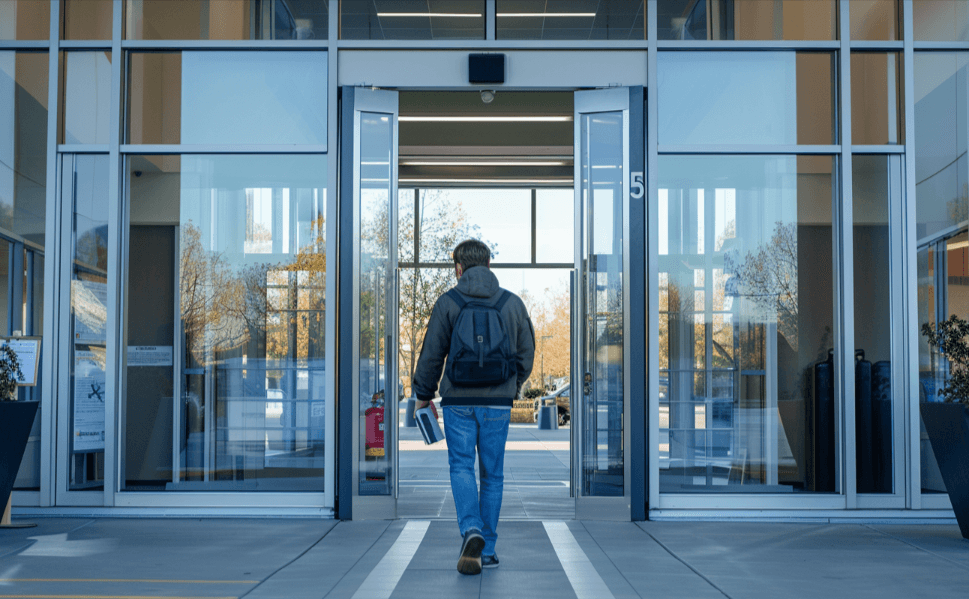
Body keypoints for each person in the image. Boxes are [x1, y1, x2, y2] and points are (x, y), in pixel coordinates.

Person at [412, 239, 535, 576]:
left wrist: (423, 395)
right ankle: (489, 550)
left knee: (461, 466)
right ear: (489, 265)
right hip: (498, 403)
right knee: (492, 475)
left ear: (458, 267)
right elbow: (527, 353)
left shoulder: (448, 303)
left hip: (458, 403)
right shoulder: (511, 303)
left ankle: (471, 529)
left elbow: (432, 354)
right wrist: (511, 385)